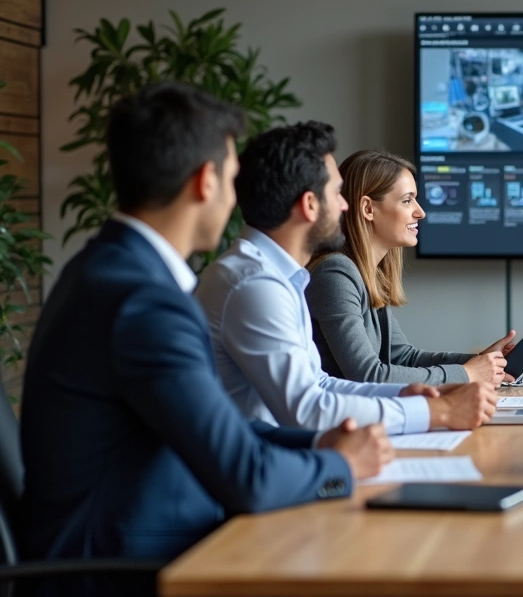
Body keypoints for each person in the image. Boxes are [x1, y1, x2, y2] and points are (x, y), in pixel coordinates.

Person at [19, 83, 393, 596]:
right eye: (232, 179)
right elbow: (247, 478)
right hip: (121, 566)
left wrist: (318, 442)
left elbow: (223, 431)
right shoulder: (145, 302)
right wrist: (342, 465)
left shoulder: (108, 269)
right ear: (205, 181)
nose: (237, 198)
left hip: (142, 536)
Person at [195, 122, 498, 435]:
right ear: (310, 204)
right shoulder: (256, 285)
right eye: (336, 193)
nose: (344, 205)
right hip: (271, 454)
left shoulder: (282, 278)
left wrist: (407, 394)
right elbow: (306, 410)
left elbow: (321, 384)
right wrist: (438, 409)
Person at [304, 149, 515, 384]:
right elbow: (368, 374)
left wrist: (481, 362)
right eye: (407, 200)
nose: (420, 212)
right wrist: (468, 374)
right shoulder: (335, 274)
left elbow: (403, 357)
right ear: (368, 209)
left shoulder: (367, 273)